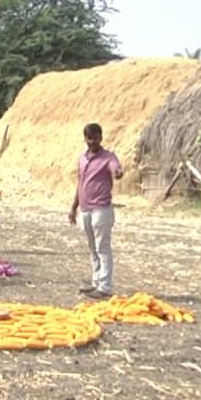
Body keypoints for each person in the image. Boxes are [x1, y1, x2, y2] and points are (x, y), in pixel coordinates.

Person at [70, 123, 123, 299]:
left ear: (101, 137)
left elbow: (115, 168)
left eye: (96, 137)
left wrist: (117, 172)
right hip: (85, 209)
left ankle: (105, 286)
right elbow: (80, 184)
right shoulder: (82, 159)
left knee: (103, 248)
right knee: (93, 248)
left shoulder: (108, 157)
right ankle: (96, 281)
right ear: (85, 138)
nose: (93, 141)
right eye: (89, 138)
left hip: (101, 209)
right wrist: (73, 208)